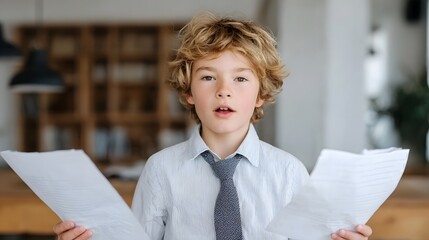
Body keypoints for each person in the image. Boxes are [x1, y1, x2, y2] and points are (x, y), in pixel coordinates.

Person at [54, 13, 373, 240]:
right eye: (208, 77)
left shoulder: (289, 172)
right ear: (188, 92)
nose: (224, 89)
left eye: (241, 78)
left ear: (261, 94)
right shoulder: (161, 170)